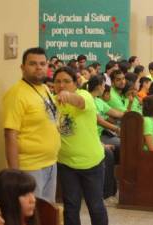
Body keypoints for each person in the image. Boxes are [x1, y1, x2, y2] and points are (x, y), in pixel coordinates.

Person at [3, 47, 60, 203]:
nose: (39, 67)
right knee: (31, 215)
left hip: (50, 163)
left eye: (42, 63)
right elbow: (10, 135)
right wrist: (16, 175)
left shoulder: (44, 88)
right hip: (30, 167)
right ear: (22, 67)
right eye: (33, 64)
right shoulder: (16, 94)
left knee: (46, 212)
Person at [53, 66, 108, 225]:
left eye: (66, 81)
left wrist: (67, 96)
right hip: (66, 163)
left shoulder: (85, 95)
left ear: (76, 83)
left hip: (91, 163)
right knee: (71, 206)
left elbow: (80, 102)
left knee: (95, 205)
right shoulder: (53, 100)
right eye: (57, 82)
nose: (61, 85)